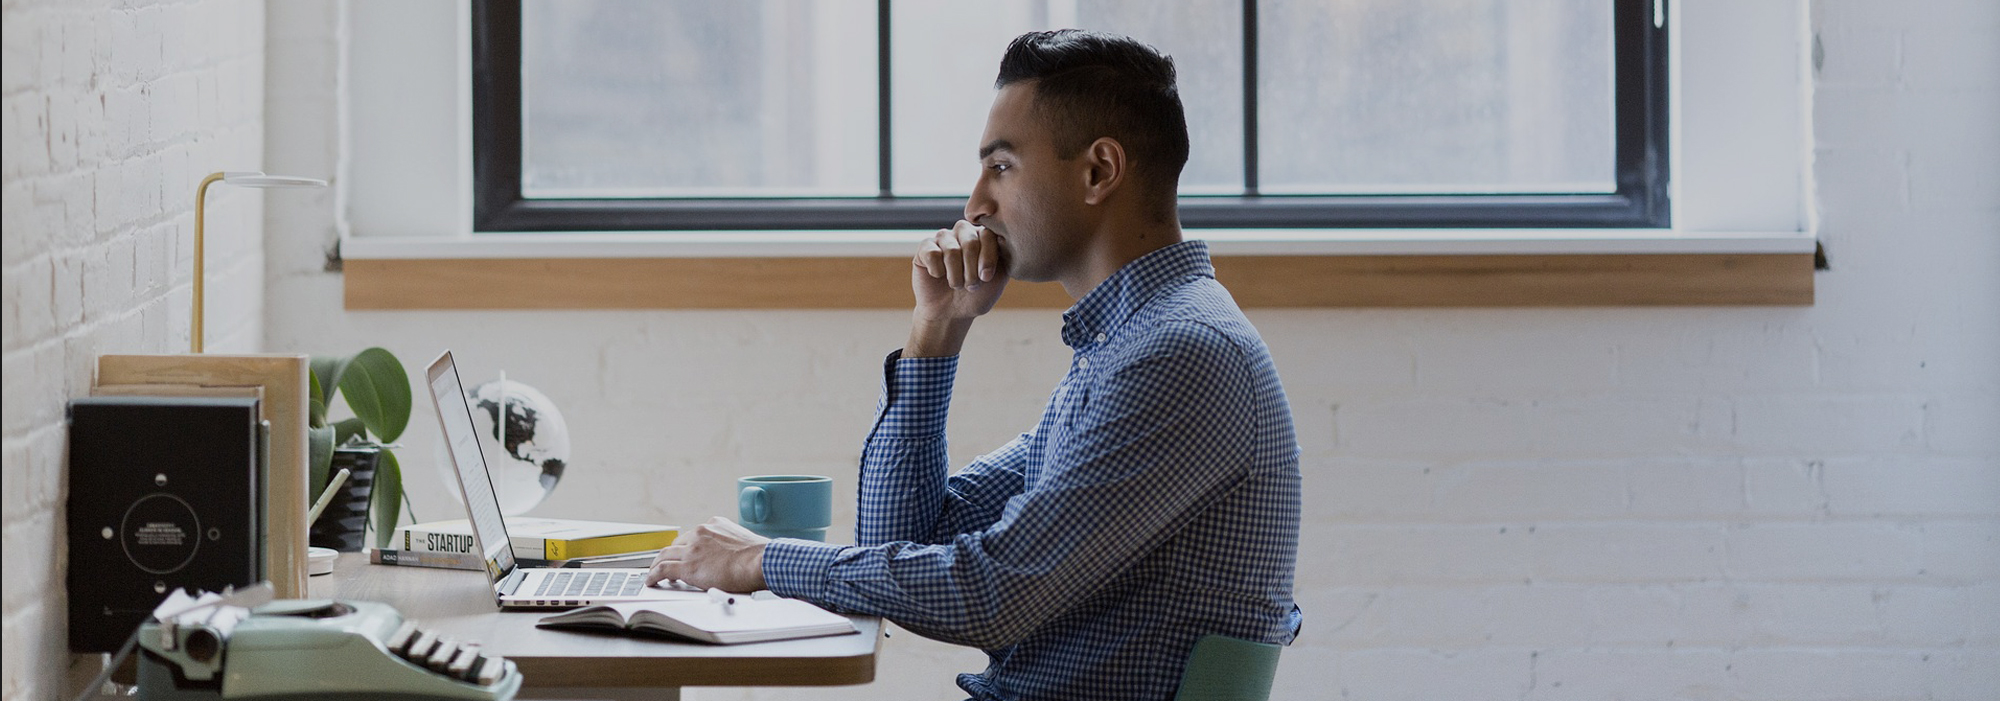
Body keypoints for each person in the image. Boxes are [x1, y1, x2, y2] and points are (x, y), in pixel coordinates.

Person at [647, 29, 1302, 700]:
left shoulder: (1178, 356)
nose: (974, 205)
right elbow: (902, 538)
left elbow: (993, 592)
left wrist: (760, 560)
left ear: (1099, 171)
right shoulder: (1125, 347)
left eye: (1002, 166)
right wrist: (939, 328)